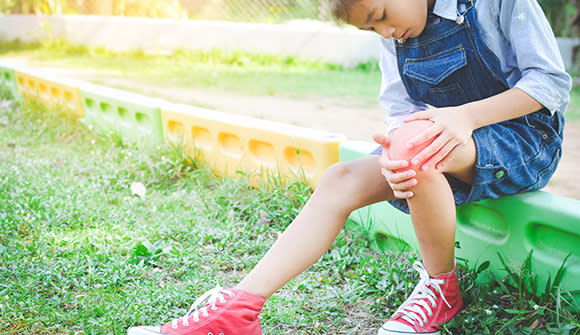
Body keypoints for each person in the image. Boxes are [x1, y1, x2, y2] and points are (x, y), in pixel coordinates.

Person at [128, 0, 571, 334]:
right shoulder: (394, 36)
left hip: (523, 140)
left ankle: (442, 288)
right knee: (342, 176)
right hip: (440, 146)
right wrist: (397, 149)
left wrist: (464, 118)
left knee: (416, 147)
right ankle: (238, 309)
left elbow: (550, 82)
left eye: (380, 14)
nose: (386, 30)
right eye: (371, 27)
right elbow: (401, 110)